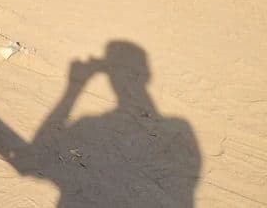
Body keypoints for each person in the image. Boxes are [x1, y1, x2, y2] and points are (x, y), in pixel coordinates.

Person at [22, 41, 200, 207]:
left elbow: (30, 158)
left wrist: (73, 89)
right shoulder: (181, 129)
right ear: (146, 75)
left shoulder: (89, 124)